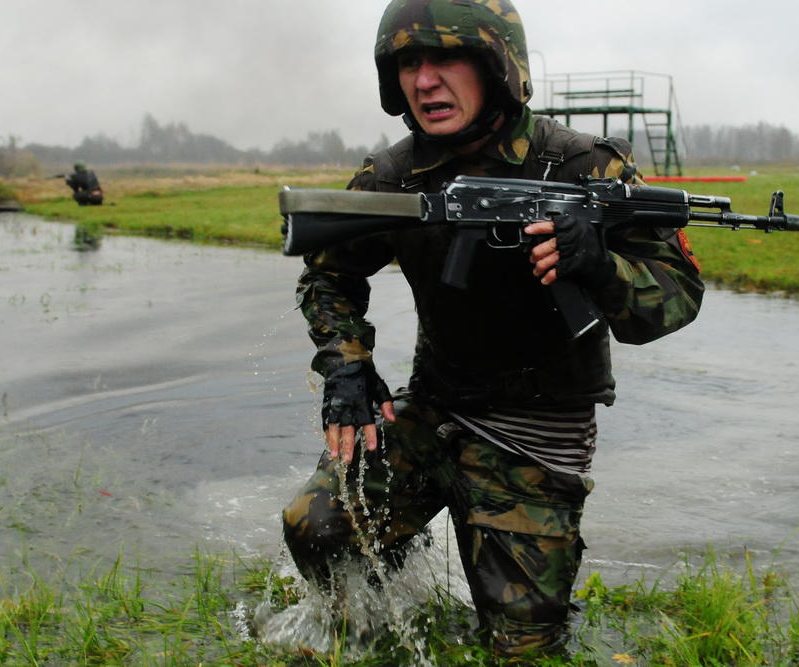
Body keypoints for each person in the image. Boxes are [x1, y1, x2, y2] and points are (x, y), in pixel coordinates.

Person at [281, 0, 704, 656]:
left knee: (522, 649)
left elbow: (674, 298)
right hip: (433, 408)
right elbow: (327, 274)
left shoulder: (584, 167)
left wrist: (600, 266)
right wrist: (347, 367)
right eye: (409, 64)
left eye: (446, 59)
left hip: (539, 432)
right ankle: (382, 607)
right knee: (315, 525)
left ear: (498, 67)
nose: (424, 80)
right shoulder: (393, 176)